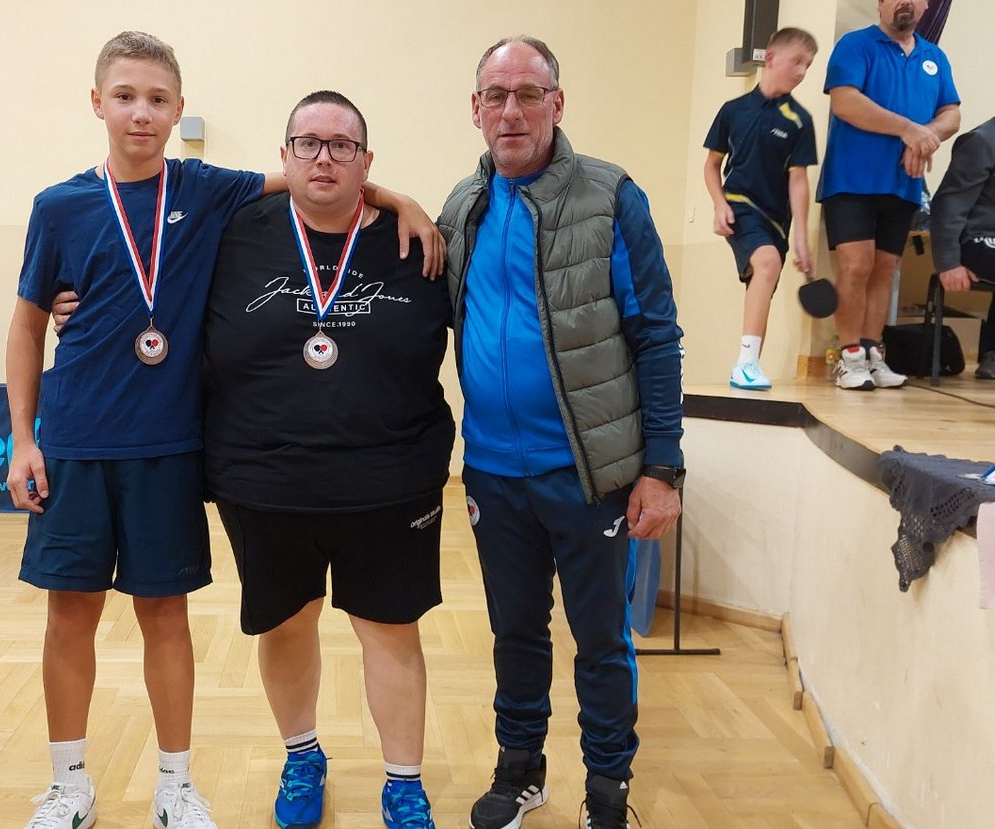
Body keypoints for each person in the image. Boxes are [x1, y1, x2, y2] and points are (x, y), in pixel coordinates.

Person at [6, 32, 441, 829]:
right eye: (125, 96)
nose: (141, 113)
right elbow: (28, 323)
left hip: (170, 447)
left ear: (179, 109)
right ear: (97, 102)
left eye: (157, 99)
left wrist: (399, 199)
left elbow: (323, 178)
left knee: (165, 616)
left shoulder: (205, 190)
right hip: (76, 443)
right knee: (69, 615)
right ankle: (68, 784)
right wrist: (22, 438)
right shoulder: (62, 206)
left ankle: (175, 785)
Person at [438, 36, 684, 829]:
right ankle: (520, 770)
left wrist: (662, 467)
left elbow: (657, 337)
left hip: (591, 475)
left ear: (557, 103)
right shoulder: (462, 207)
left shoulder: (612, 197)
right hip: (492, 473)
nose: (511, 111)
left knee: (601, 640)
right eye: (496, 95)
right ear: (475, 108)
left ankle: (608, 790)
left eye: (528, 94)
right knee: (515, 631)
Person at [201, 91, 453, 829]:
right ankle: (302, 754)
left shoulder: (418, 243)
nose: (324, 157)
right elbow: (151, 277)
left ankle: (403, 783)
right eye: (307, 143)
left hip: (391, 480)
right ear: (283, 156)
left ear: (367, 161)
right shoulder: (232, 232)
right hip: (264, 479)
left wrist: (398, 202)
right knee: (285, 623)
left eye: (342, 145)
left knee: (391, 628)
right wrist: (75, 303)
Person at [818, 0, 960, 391]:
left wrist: (926, 136)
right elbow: (845, 102)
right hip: (852, 179)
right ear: (880, 3)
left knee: (884, 269)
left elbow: (951, 114)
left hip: (903, 183)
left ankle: (871, 353)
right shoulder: (855, 45)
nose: (905, 2)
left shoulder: (934, 57)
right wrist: (908, 130)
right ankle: (849, 357)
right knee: (856, 266)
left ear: (926, 5)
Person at [704, 27, 819, 391]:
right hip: (740, 206)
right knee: (767, 263)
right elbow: (712, 165)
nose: (802, 71)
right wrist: (719, 204)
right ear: (770, 58)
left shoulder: (799, 120)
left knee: (763, 280)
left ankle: (748, 365)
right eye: (796, 61)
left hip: (777, 222)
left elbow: (798, 181)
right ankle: (746, 365)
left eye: (808, 65)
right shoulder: (733, 111)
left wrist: (801, 237)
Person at [931, 116, 995, 379]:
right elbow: (949, 204)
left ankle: (991, 352)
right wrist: (948, 262)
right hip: (977, 238)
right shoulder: (982, 141)